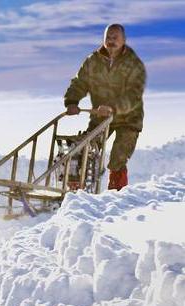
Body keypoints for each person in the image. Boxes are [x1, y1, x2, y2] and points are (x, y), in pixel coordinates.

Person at [64, 23, 146, 191]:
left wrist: (113, 107)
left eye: (115, 37)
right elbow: (80, 82)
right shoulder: (92, 61)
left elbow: (134, 95)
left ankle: (116, 194)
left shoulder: (134, 63)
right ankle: (74, 190)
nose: (111, 41)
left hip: (128, 119)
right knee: (83, 148)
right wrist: (72, 101)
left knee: (118, 158)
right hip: (101, 117)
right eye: (108, 37)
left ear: (124, 40)